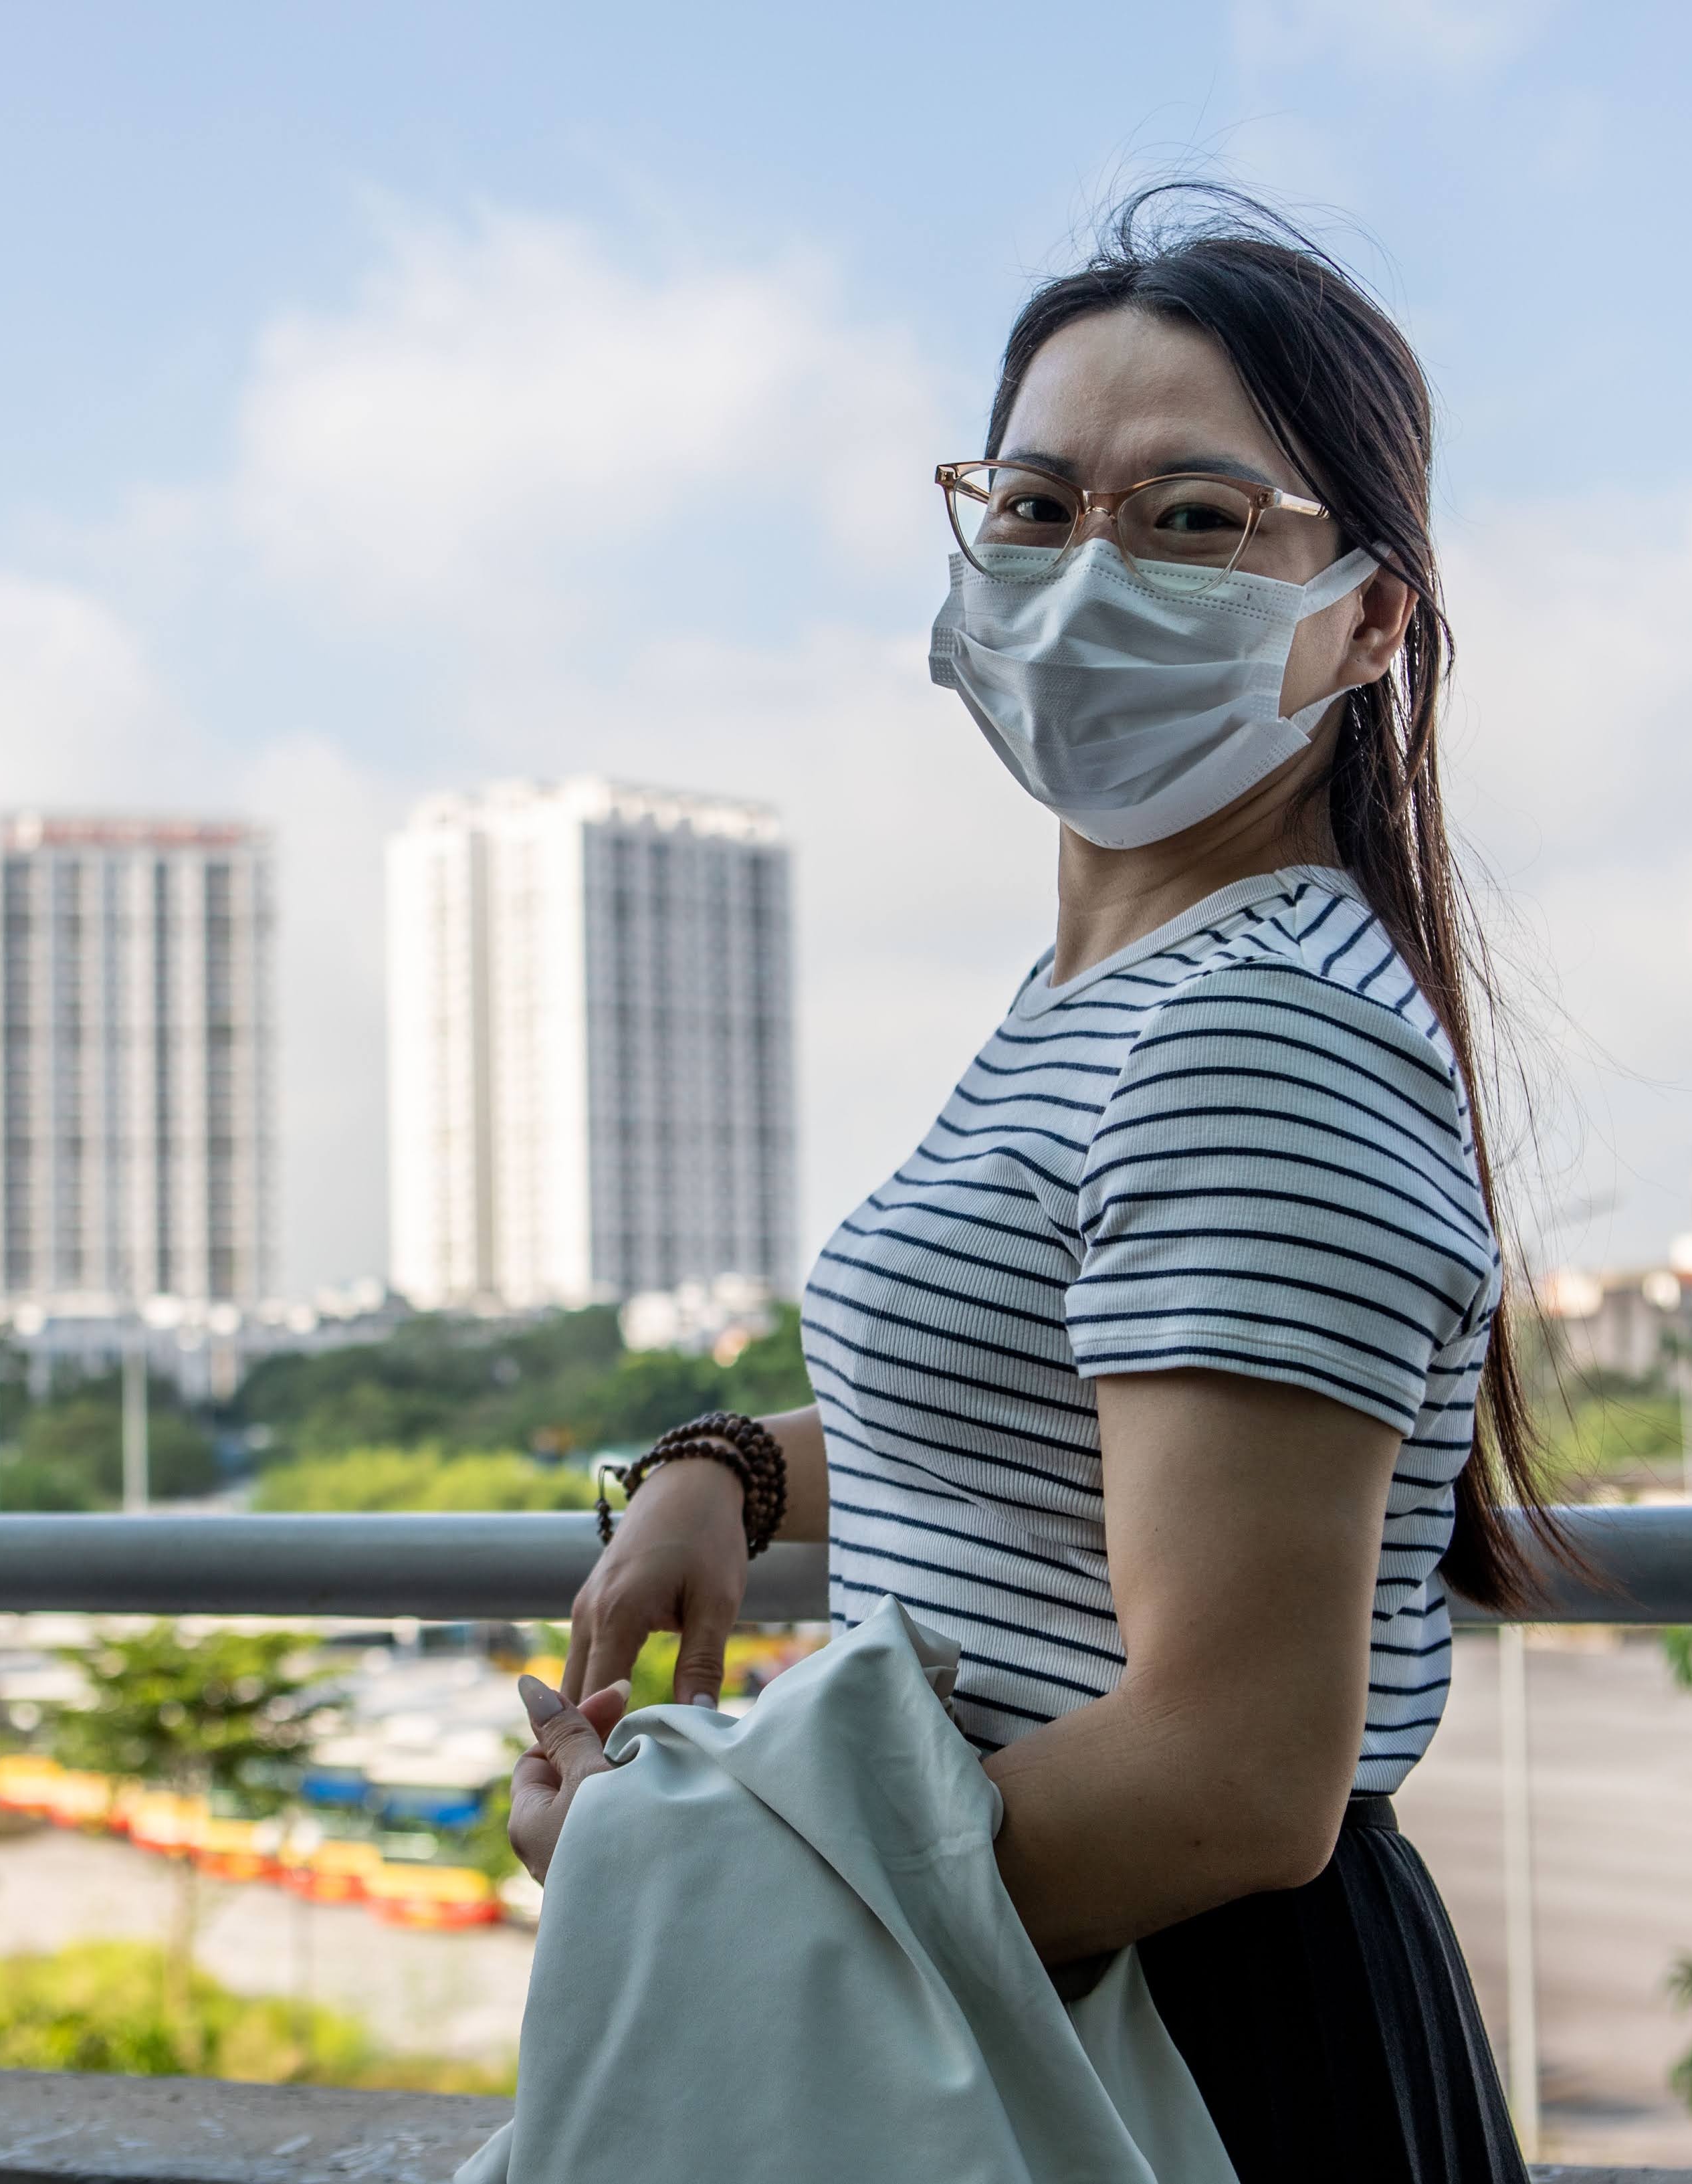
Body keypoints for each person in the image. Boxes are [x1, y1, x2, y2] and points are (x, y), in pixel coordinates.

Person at [508, 183, 1557, 2184]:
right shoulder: (1114, 989)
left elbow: (1233, 1773)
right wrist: (724, 1464)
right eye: (1033, 505)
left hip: (1176, 2047)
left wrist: (651, 1861)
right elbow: (1051, 1420)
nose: (1087, 576)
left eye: (1189, 518)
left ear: (1366, 614)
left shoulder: (1259, 1030)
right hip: (1054, 2006)